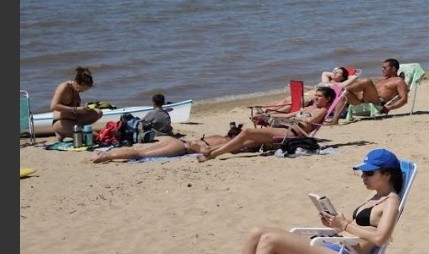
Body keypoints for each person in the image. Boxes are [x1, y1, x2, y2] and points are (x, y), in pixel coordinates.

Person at [231, 148, 403, 254]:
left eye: (369, 173)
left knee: (269, 240)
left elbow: (381, 238)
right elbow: (358, 228)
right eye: (362, 172)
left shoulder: (391, 201)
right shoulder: (374, 195)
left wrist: (344, 225)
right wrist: (336, 224)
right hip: (336, 244)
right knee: (256, 232)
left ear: (387, 175)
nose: (363, 176)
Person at [197, 86, 337, 162]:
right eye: (316, 95)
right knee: (246, 141)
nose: (316, 98)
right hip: (283, 127)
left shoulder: (322, 110)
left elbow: (307, 122)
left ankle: (213, 154)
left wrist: (291, 120)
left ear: (328, 99)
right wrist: (266, 115)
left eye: (319, 96)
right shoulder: (309, 108)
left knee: (246, 132)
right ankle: (212, 149)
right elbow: (287, 115)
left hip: (291, 133)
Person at [329, 58, 409, 124]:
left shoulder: (399, 81)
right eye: (382, 67)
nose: (382, 70)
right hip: (362, 101)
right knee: (345, 93)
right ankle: (335, 121)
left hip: (378, 104)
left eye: (384, 68)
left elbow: (404, 99)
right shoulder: (382, 79)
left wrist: (390, 107)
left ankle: (339, 89)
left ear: (393, 69)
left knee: (367, 81)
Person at [257, 67, 357, 115]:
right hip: (309, 93)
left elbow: (354, 77)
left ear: (343, 77)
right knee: (286, 100)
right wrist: (304, 87)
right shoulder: (326, 81)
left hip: (313, 98)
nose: (334, 73)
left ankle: (269, 113)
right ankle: (266, 110)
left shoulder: (340, 85)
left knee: (292, 104)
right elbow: (324, 73)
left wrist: (344, 77)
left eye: (337, 72)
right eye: (334, 71)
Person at [90, 131, 237, 163]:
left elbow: (195, 142)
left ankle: (108, 154)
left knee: (141, 152)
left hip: (178, 141)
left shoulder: (217, 135)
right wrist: (205, 151)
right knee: (140, 154)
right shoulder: (223, 142)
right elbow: (200, 147)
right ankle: (107, 156)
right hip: (181, 148)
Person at [50, 66, 103, 141]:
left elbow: (74, 108)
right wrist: (75, 109)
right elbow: (53, 106)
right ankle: (62, 132)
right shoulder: (64, 87)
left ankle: (71, 131)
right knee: (93, 137)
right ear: (77, 83)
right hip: (61, 122)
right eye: (84, 88)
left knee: (98, 112)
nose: (83, 91)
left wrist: (83, 109)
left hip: (74, 120)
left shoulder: (76, 90)